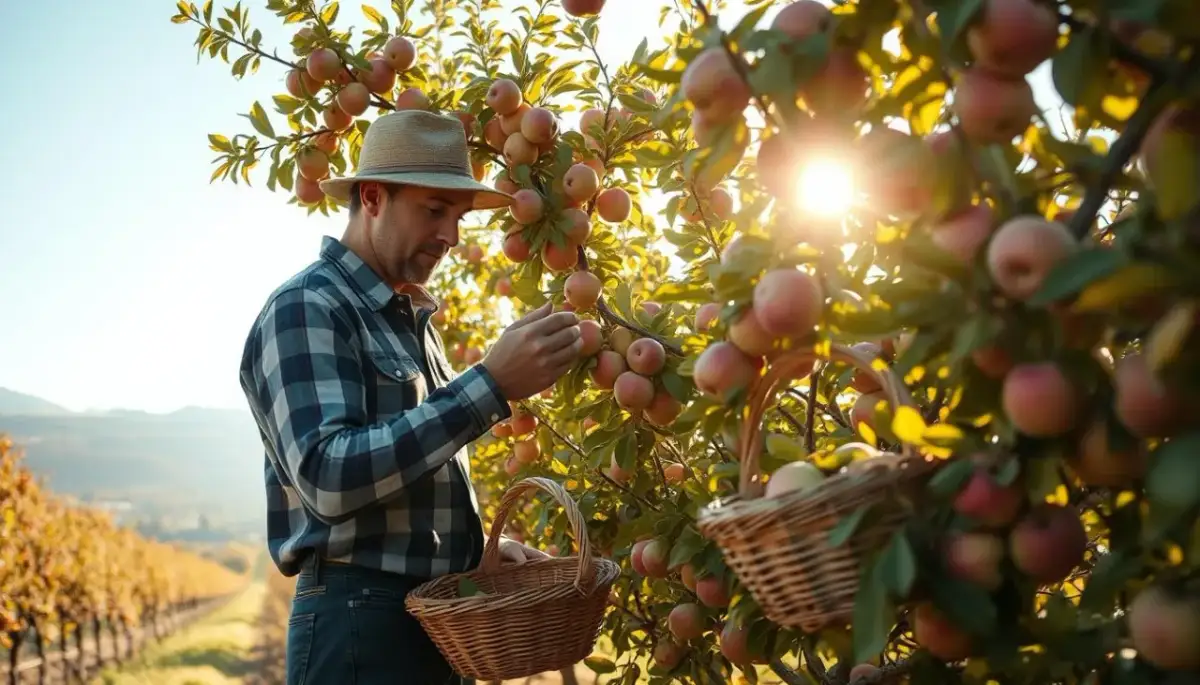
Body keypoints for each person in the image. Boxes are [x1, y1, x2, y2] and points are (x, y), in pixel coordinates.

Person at [238, 109, 584, 685]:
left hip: (435, 617)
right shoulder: (309, 307)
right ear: (372, 197)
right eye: (433, 210)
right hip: (360, 622)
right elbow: (328, 474)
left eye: (458, 216)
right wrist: (490, 384)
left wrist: (476, 558)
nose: (450, 235)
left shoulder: (411, 322)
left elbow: (405, 485)